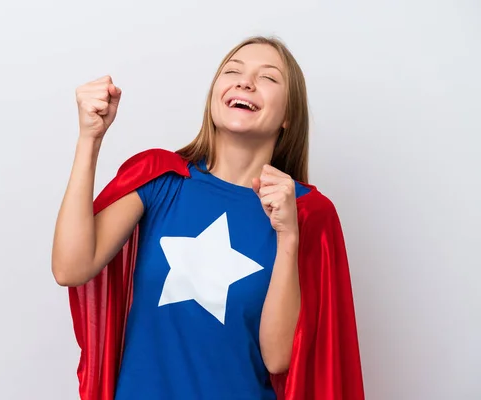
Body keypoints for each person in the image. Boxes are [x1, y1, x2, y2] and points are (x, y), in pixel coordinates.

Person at [52, 36, 364, 400]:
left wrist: (288, 236)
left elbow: (279, 358)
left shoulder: (308, 211)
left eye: (268, 77)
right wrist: (90, 139)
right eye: (233, 71)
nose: (245, 81)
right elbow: (70, 268)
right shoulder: (160, 178)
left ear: (289, 116)